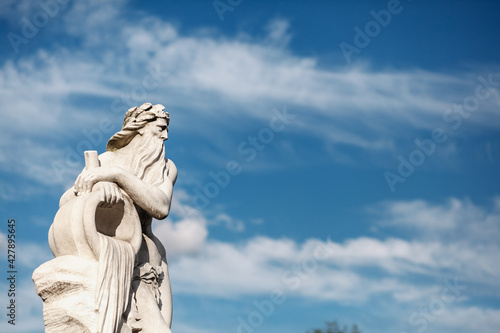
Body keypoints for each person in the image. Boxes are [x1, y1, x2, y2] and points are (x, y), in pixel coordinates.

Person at [73, 102, 177, 332]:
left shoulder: (166, 167)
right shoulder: (104, 161)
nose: (166, 136)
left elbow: (160, 206)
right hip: (112, 255)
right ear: (140, 127)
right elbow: (68, 203)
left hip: (150, 263)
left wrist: (117, 176)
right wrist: (97, 191)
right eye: (160, 128)